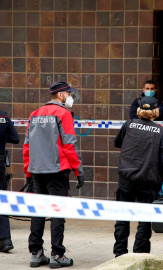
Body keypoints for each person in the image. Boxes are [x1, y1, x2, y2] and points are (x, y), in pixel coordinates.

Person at [23, 81, 85, 268]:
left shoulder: (35, 114)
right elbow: (69, 145)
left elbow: (27, 145)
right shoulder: (63, 114)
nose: (70, 97)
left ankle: (36, 253)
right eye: (68, 93)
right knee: (57, 212)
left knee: (38, 212)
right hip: (57, 171)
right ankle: (57, 254)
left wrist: (27, 171)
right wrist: (78, 170)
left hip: (36, 170)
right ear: (60, 95)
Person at [113, 96, 163, 257]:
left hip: (126, 178)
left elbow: (117, 143)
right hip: (148, 180)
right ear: (156, 111)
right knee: (145, 220)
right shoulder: (161, 131)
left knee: (122, 219)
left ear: (139, 109)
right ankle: (139, 255)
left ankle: (119, 254)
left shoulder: (128, 125)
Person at [0, 111, 20, 252]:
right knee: (1, 200)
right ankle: (5, 240)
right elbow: (15, 138)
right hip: (0, 164)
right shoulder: (4, 116)